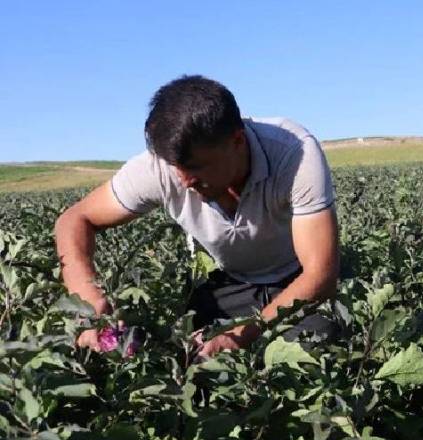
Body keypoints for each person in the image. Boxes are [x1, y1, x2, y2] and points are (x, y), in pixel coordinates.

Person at [54, 75, 339, 359]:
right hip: (232, 281)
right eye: (175, 166)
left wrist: (241, 334)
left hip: (296, 279)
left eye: (195, 167)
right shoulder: (160, 168)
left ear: (237, 141)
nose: (184, 180)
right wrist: (86, 296)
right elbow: (74, 220)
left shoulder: (293, 153)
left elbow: (320, 274)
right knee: (179, 352)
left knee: (316, 347)